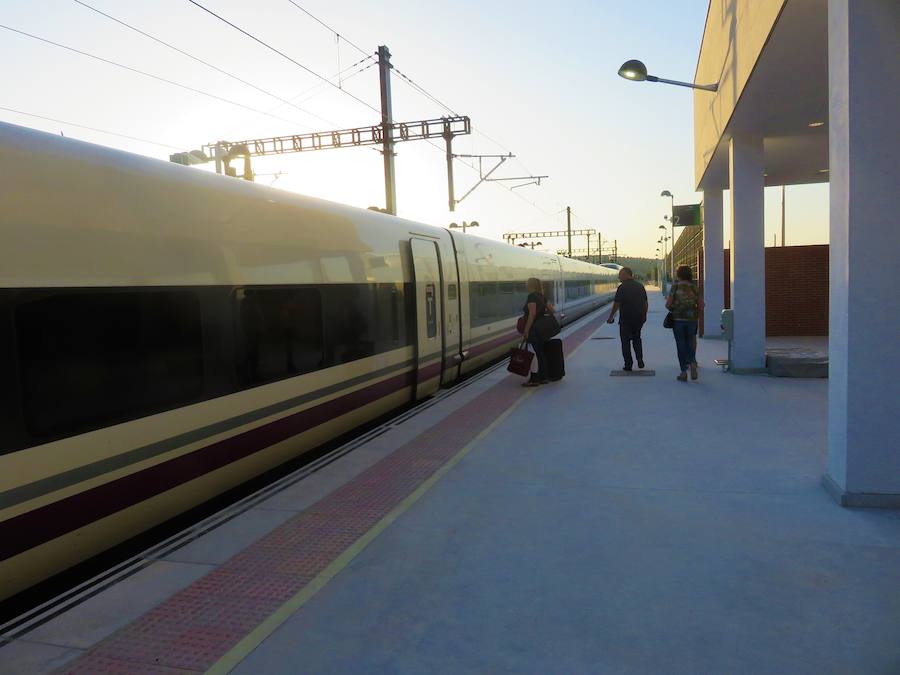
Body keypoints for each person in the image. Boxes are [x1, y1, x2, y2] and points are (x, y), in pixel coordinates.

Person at [666, 265, 704, 381]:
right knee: (691, 341)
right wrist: (697, 315)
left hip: (678, 320)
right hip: (692, 319)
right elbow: (701, 305)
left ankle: (683, 372)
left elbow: (668, 304)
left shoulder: (675, 286)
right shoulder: (694, 287)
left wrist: (674, 309)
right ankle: (692, 362)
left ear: (679, 274)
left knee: (681, 344)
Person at [606, 267, 648, 371]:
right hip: (639, 319)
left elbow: (617, 304)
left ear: (626, 274)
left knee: (625, 342)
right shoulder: (640, 286)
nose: (619, 277)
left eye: (620, 274)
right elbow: (645, 303)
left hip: (626, 319)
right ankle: (639, 359)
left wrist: (611, 317)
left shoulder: (622, 287)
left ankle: (628, 364)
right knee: (637, 339)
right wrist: (644, 315)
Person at [521, 277, 549, 386]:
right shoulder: (542, 297)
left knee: (533, 354)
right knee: (540, 353)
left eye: (527, 284)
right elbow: (552, 310)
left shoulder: (531, 297)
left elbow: (532, 314)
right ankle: (543, 377)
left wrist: (526, 330)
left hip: (533, 330)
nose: (525, 285)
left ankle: (534, 379)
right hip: (541, 329)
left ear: (530, 285)